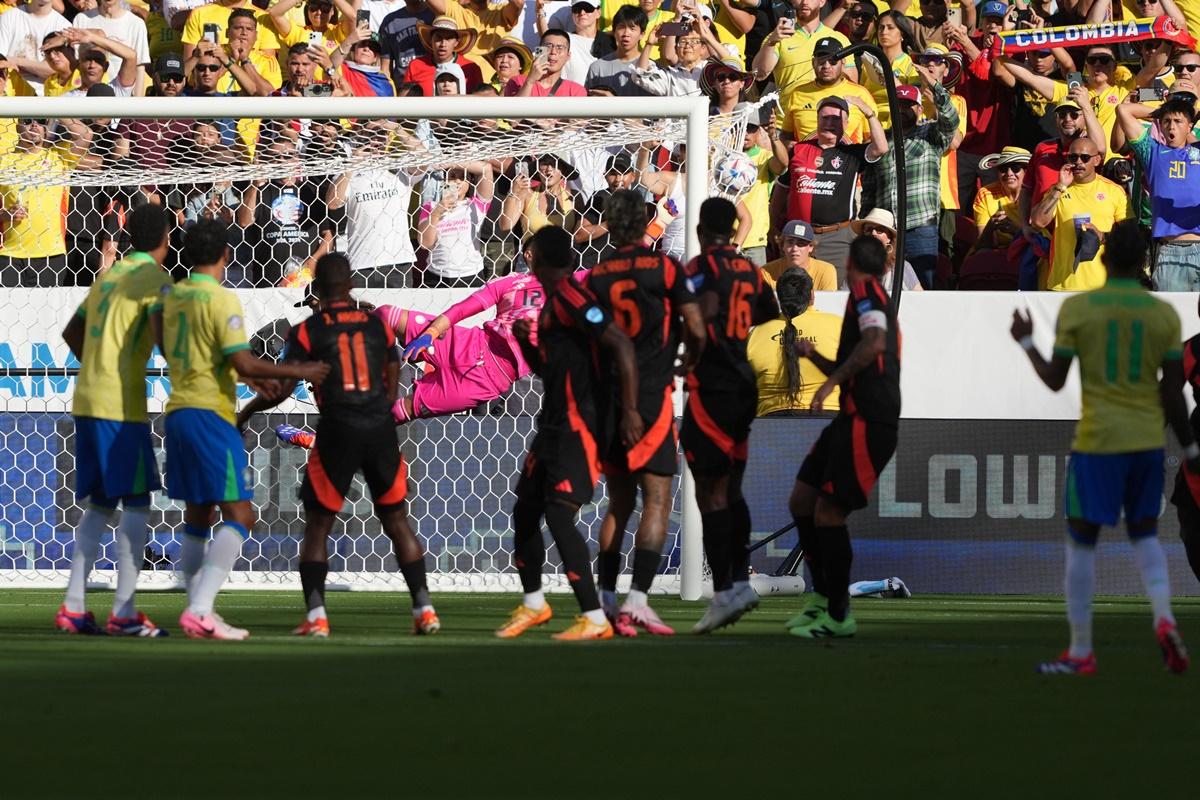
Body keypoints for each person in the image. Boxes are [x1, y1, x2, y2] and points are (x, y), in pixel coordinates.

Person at [1010, 219, 1192, 675]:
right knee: (1146, 536)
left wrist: (1027, 339)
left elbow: (1054, 380)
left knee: (1082, 540)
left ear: (1105, 258)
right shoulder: (1164, 315)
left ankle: (1081, 650)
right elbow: (1174, 391)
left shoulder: (1080, 309)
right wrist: (1189, 449)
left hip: (1098, 441)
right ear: (1145, 261)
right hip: (1148, 441)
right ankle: (1165, 619)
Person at [238, 253, 440, 637]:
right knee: (397, 520)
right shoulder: (376, 326)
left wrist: (244, 415)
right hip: (379, 427)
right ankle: (424, 610)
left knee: (317, 526)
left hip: (337, 428)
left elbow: (280, 391)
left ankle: (316, 616)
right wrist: (379, 407)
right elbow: (394, 370)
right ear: (350, 286)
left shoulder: (307, 331)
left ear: (316, 290)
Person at [163, 220, 329, 640]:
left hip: (179, 411)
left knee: (199, 516)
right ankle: (199, 609)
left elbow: (189, 350)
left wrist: (239, 374)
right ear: (225, 254)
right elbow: (243, 361)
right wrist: (298, 368)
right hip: (210, 415)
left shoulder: (171, 297)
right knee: (240, 514)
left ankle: (196, 610)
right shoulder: (221, 299)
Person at [495, 225, 641, 642]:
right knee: (524, 512)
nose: (527, 258)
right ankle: (534, 604)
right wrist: (526, 345)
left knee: (558, 513)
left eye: (531, 252)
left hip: (580, 424)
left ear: (538, 258)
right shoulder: (550, 306)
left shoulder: (576, 299)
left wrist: (628, 410)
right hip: (553, 424)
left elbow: (620, 344)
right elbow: (549, 370)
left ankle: (594, 616)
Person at [585, 188, 704, 636]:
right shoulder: (666, 268)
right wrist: (688, 359)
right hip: (651, 399)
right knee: (656, 499)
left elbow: (591, 336)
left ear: (611, 226)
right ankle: (637, 602)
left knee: (616, 501)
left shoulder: (597, 276)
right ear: (647, 220)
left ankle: (605, 603)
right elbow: (694, 325)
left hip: (609, 400)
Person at [53, 205, 176, 637]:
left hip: (87, 399)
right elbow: (166, 338)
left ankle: (72, 607)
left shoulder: (108, 277)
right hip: (120, 408)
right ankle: (124, 612)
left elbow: (72, 332)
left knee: (102, 504)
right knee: (138, 503)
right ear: (166, 238)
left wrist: (98, 365)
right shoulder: (157, 281)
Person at [786, 234, 899, 639]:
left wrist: (828, 382)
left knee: (828, 514)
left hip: (870, 421)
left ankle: (838, 612)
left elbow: (874, 343)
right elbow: (863, 355)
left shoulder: (868, 295)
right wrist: (814, 357)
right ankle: (821, 601)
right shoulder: (862, 297)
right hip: (852, 416)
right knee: (802, 499)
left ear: (850, 265)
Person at [684, 198, 779, 633]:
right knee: (732, 488)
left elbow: (695, 318)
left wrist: (691, 356)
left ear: (703, 230)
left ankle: (727, 590)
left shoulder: (697, 270)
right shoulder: (749, 270)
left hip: (712, 386)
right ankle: (739, 580)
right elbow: (770, 315)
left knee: (710, 492)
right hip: (744, 384)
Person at [870, 67, 959, 290]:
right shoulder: (882, 140)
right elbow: (871, 186)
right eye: (898, 104)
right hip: (885, 231)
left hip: (919, 228)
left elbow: (951, 119)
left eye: (908, 105)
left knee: (921, 294)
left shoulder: (931, 134)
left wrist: (934, 85)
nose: (902, 109)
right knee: (881, 288)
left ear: (920, 109)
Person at [786, 96, 887, 283]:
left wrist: (869, 113)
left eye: (836, 119)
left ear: (846, 123)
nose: (829, 123)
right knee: (796, 289)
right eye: (825, 118)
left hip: (837, 238)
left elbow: (881, 148)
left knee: (834, 292)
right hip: (799, 236)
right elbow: (782, 190)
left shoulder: (852, 153)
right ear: (817, 120)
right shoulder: (798, 149)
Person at [1118, 96, 1200, 290]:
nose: (1171, 127)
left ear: (1190, 127)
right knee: (1171, 318)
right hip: (1168, 250)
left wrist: (1185, 114)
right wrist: (1160, 113)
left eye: (1178, 122)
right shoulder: (1152, 152)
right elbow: (1123, 110)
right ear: (1160, 126)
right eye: (1167, 122)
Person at [0, 117, 92, 287]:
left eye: (41, 120)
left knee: (46, 313)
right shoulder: (3, 161)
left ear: (47, 127)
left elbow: (85, 135)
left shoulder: (59, 157)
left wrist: (54, 110)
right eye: (28, 120)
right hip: (9, 255)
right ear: (18, 126)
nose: (34, 125)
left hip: (51, 254)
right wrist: (3, 214)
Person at [1029, 137, 1130, 292]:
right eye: (1073, 157)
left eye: (1084, 157)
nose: (1078, 162)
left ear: (1096, 160)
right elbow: (1037, 222)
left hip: (1102, 287)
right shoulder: (1057, 190)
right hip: (1062, 286)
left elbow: (1130, 236)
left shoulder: (1114, 191)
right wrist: (1061, 185)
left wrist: (1103, 236)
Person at [747, 266, 842, 417]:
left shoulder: (757, 332)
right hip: (829, 416)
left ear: (779, 296)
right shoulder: (838, 325)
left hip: (770, 423)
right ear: (811, 295)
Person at [751, 0, 854, 114]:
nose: (804, 2)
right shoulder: (777, 36)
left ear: (822, 2)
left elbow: (852, 84)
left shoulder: (839, 39)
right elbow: (759, 74)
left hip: (827, 120)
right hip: (786, 119)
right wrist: (771, 43)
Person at [780, 36, 877, 145]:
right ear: (813, 63)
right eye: (821, 61)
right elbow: (786, 135)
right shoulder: (798, 93)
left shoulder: (860, 94)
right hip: (807, 159)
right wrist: (789, 146)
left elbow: (871, 139)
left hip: (847, 159)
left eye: (833, 62)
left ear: (843, 62)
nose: (826, 66)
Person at [416, 161, 495, 286]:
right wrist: (437, 213)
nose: (457, 181)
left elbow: (486, 168)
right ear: (444, 181)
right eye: (452, 176)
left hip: (471, 275)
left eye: (463, 178)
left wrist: (452, 162)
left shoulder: (476, 205)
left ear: (469, 183)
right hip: (437, 276)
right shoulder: (430, 207)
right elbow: (425, 244)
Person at [402, 14, 482, 95]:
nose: (443, 44)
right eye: (438, 38)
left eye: (448, 38)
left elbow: (480, 102)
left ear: (456, 42)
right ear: (431, 40)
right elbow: (405, 99)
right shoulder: (415, 66)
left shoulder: (472, 68)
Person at [852, 208, 921, 294]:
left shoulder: (901, 267)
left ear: (889, 238)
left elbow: (920, 299)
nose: (873, 233)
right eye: (869, 229)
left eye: (880, 230)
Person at [584, 4, 649, 95]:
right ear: (614, 32)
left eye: (632, 28)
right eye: (621, 27)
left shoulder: (651, 68)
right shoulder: (597, 67)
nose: (626, 33)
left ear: (642, 34)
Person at [504, 27, 584, 96]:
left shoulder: (576, 91)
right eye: (548, 46)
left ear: (568, 56)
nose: (553, 52)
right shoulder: (517, 82)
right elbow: (516, 110)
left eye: (559, 48)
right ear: (539, 52)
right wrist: (530, 81)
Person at [760, 219, 836, 291]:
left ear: (811, 247)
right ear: (782, 245)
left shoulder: (826, 271)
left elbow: (829, 303)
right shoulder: (766, 272)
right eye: (790, 242)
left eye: (801, 243)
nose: (795, 248)